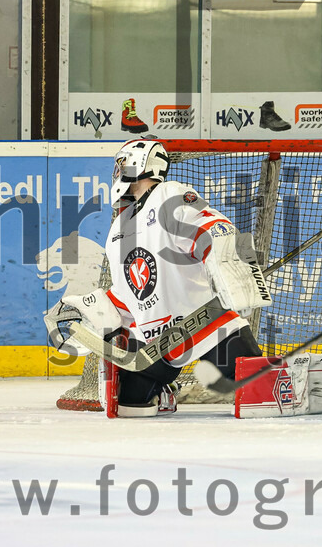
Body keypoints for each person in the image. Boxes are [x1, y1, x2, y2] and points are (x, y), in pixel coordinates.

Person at [47, 138, 270, 417]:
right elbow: (127, 292)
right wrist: (91, 312)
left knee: (263, 395)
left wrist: (231, 270)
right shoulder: (119, 226)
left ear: (139, 163)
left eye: (121, 163)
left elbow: (214, 229)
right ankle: (164, 390)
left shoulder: (168, 194)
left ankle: (305, 379)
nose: (117, 171)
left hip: (208, 327)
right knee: (127, 407)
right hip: (155, 345)